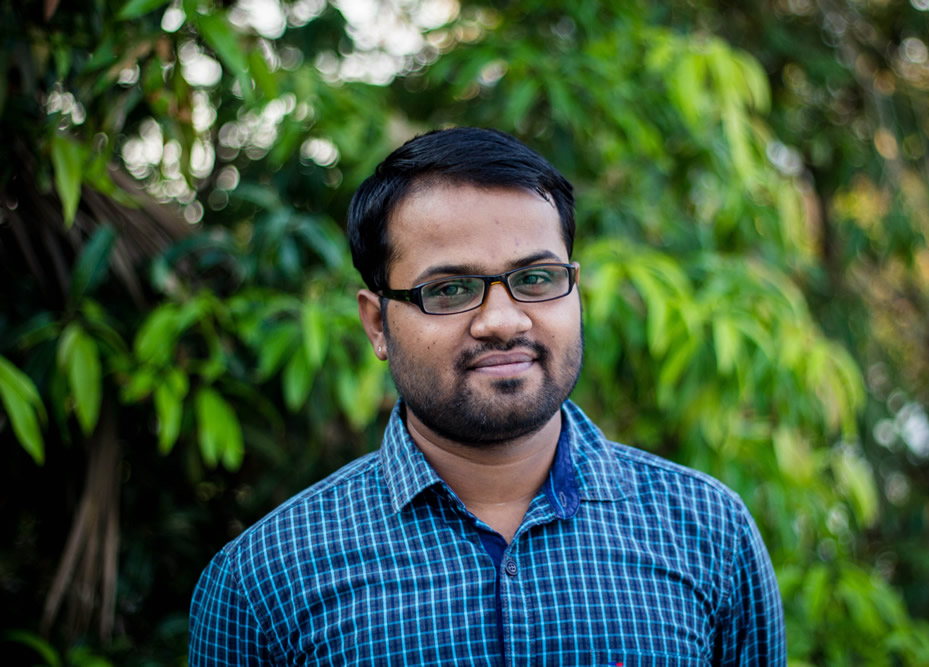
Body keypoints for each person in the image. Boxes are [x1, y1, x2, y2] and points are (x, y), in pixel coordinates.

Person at [189, 127, 786, 664]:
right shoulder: (263, 580)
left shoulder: (710, 531)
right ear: (377, 324)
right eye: (449, 289)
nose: (503, 321)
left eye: (535, 279)